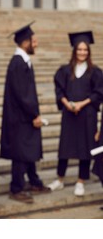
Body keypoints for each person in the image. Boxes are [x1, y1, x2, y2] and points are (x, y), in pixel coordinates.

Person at [0, 22, 51, 204]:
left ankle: (34, 182)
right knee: (20, 154)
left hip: (23, 117)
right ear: (25, 43)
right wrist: (34, 115)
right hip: (20, 118)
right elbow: (23, 95)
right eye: (34, 41)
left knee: (28, 151)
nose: (36, 44)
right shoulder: (18, 63)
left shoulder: (22, 62)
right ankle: (16, 188)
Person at [48, 31, 103, 196]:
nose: (82, 53)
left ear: (89, 51)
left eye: (85, 50)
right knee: (65, 147)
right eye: (79, 49)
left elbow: (98, 93)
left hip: (87, 115)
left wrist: (82, 103)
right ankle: (60, 179)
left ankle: (81, 181)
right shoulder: (64, 71)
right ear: (74, 50)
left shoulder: (95, 72)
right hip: (69, 114)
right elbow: (60, 91)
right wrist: (67, 104)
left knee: (85, 148)